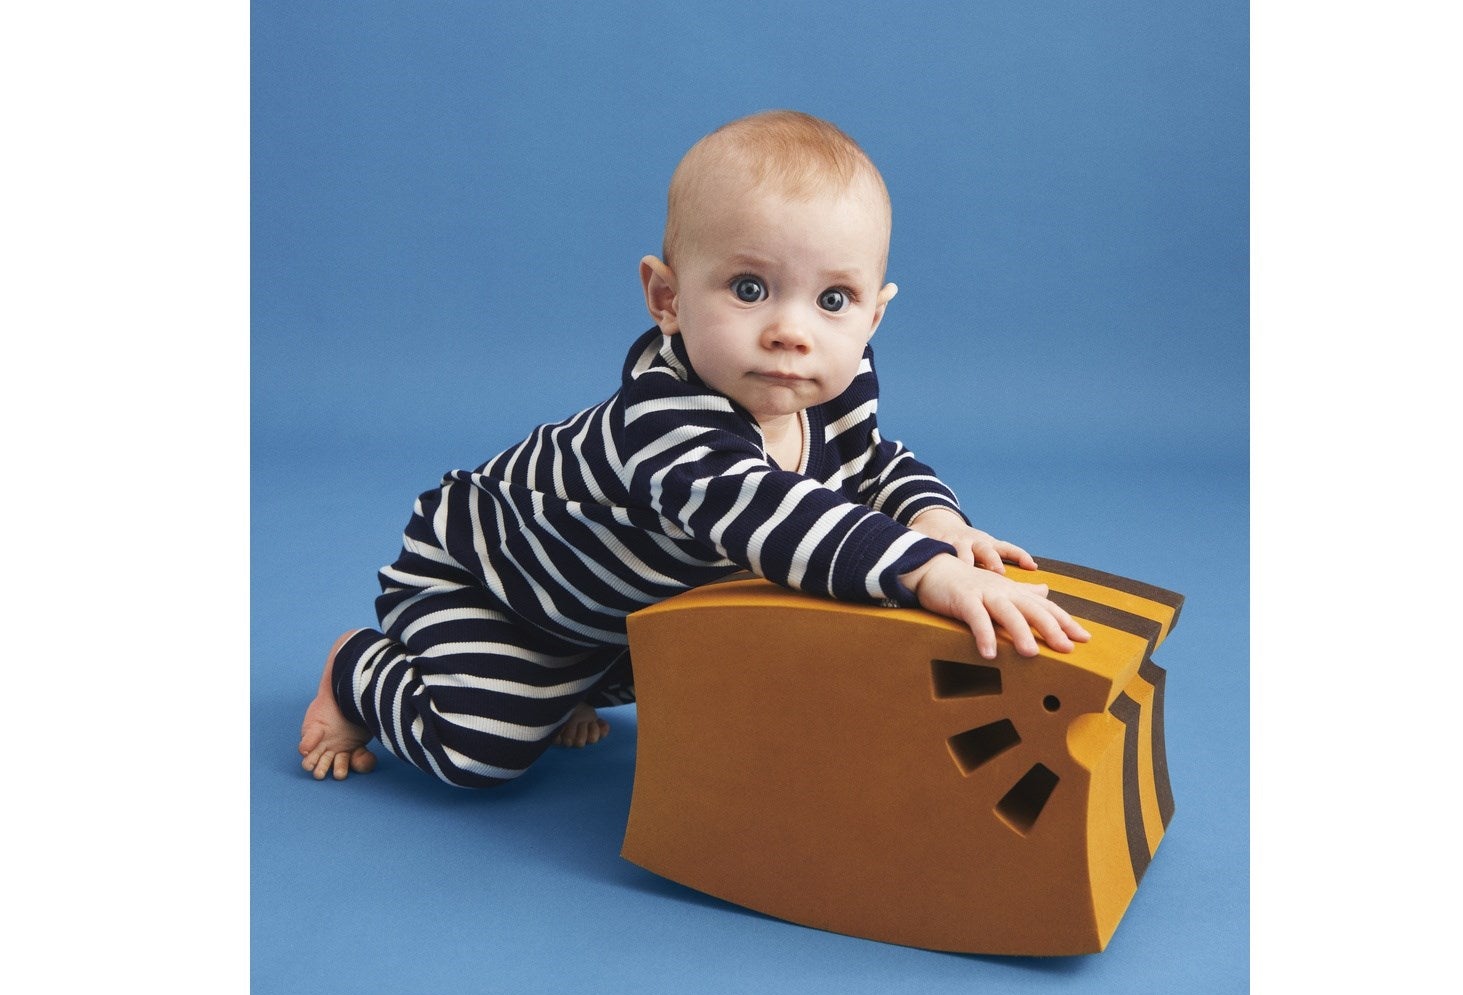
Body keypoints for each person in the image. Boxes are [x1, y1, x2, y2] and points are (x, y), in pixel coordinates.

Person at [299, 111, 1088, 785]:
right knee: (483, 750)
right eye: (749, 289)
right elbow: (766, 507)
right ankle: (357, 671)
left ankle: (570, 683)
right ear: (667, 298)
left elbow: (874, 465)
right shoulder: (666, 421)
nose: (791, 330)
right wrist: (927, 572)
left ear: (873, 317)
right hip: (489, 583)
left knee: (717, 655)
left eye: (833, 299)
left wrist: (937, 524)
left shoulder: (831, 390)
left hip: (611, 610)